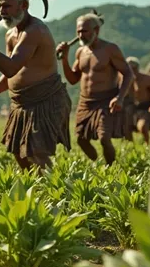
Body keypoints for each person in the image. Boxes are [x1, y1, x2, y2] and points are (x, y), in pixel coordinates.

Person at [0, 0, 72, 171]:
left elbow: (11, 68)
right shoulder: (11, 34)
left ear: (24, 6)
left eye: (6, 6)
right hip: (22, 103)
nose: (2, 11)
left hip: (45, 99)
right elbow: (11, 71)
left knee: (36, 153)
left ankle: (55, 194)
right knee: (19, 153)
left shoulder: (34, 31)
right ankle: (35, 194)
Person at [57, 12, 134, 166]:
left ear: (96, 31)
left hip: (106, 100)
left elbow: (128, 74)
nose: (80, 35)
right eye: (78, 31)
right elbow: (73, 79)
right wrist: (65, 59)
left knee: (104, 138)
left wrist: (119, 97)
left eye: (84, 31)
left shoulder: (110, 49)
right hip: (85, 102)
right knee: (80, 139)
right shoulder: (80, 52)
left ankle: (111, 168)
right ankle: (98, 165)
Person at [127, 57, 150, 144]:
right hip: (131, 107)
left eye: (133, 68)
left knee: (142, 127)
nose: (132, 70)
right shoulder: (124, 79)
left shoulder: (148, 79)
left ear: (137, 68)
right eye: (129, 68)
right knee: (126, 128)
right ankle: (131, 147)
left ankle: (148, 143)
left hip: (146, 107)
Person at [120, 57, 139, 142]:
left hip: (129, 102)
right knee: (121, 124)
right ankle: (125, 140)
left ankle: (129, 141)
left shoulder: (134, 77)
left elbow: (136, 91)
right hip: (121, 101)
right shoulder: (120, 75)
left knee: (127, 124)